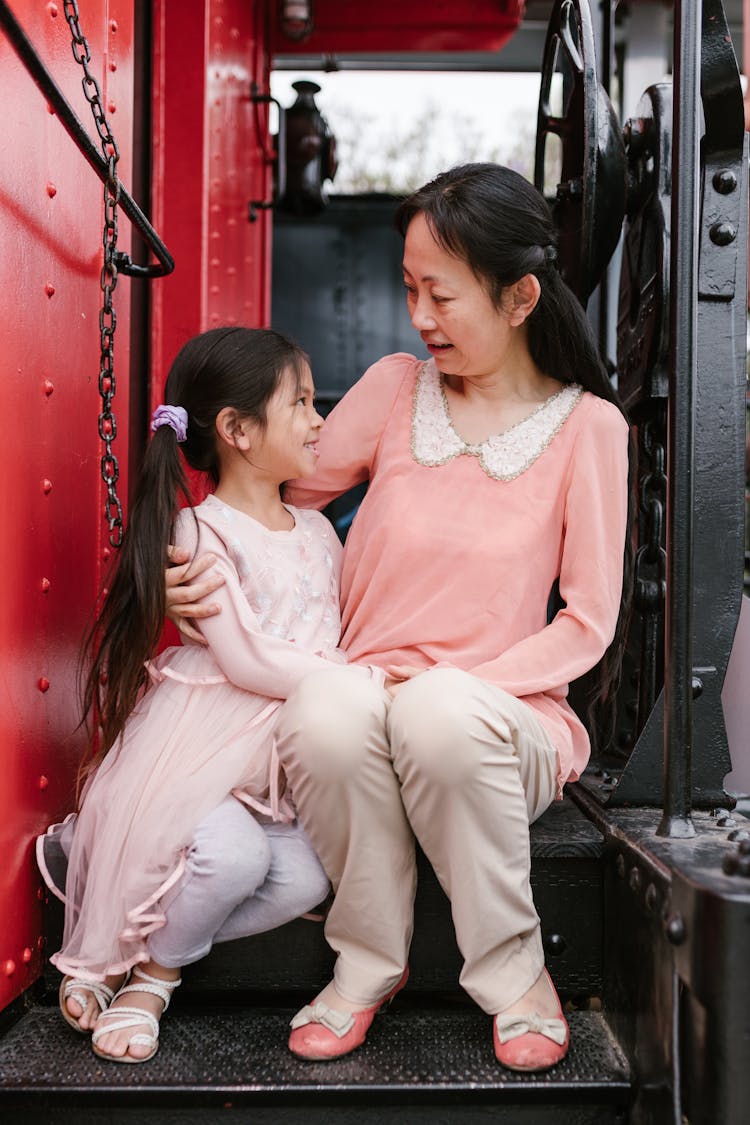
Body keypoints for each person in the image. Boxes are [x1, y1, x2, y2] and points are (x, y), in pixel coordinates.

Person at [165, 164, 632, 1072]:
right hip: (366, 693)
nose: (418, 314)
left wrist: (458, 681)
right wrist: (190, 568)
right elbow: (264, 491)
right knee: (328, 707)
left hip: (505, 719)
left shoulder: (589, 430)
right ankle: (365, 967)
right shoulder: (392, 388)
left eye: (441, 294)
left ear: (521, 296)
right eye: (408, 288)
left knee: (436, 712)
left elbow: (588, 623)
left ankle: (516, 977)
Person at [37, 327, 383, 1064]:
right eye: (300, 401)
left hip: (277, 755)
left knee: (302, 879)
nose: (320, 418)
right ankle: (147, 978)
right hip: (206, 739)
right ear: (237, 430)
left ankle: (123, 903)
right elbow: (246, 657)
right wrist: (362, 682)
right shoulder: (200, 531)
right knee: (229, 858)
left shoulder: (322, 531)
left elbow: (334, 627)